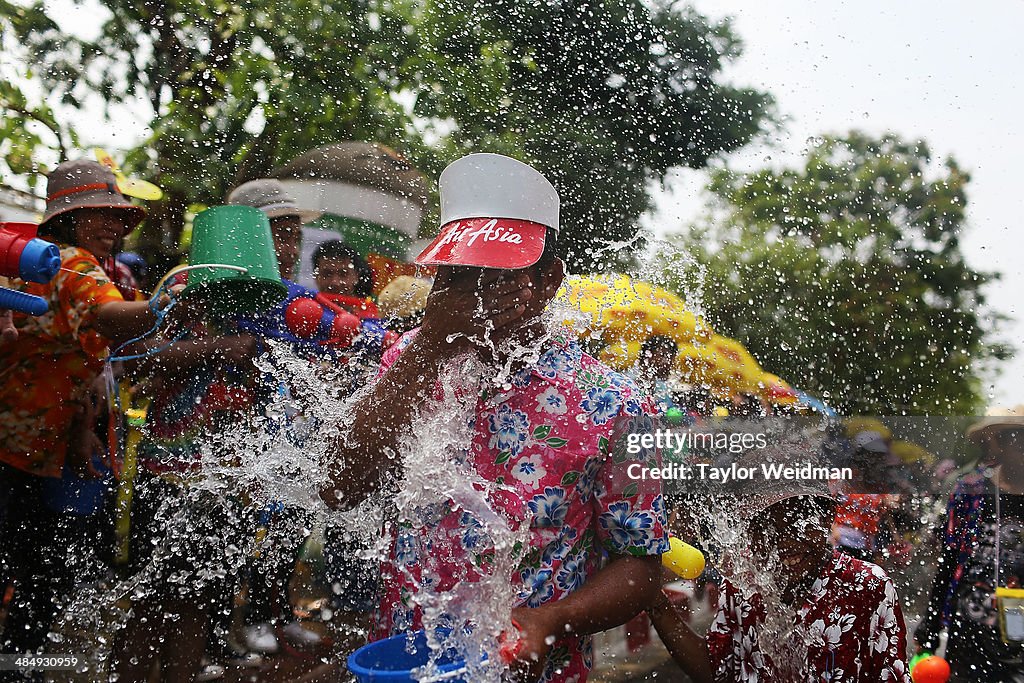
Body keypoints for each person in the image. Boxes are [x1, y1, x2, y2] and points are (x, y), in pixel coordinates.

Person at [321, 153, 668, 683]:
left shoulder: (617, 404)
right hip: (406, 657)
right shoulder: (411, 361)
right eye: (457, 276)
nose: (472, 297)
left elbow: (640, 563)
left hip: (536, 669)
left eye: (495, 276)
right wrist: (430, 347)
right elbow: (340, 488)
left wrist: (552, 619)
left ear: (549, 279)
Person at [0, 159, 166, 666]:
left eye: (117, 218)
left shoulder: (70, 265)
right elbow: (108, 319)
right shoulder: (70, 263)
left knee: (36, 578)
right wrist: (170, 301)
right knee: (30, 578)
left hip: (38, 445)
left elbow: (76, 354)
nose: (113, 227)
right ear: (68, 221)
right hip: (13, 448)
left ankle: (22, 663)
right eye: (100, 216)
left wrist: (80, 428)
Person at [649, 456, 911, 682]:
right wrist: (655, 602)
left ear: (827, 518)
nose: (785, 539)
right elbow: (716, 672)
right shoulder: (742, 584)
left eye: (799, 520)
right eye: (765, 527)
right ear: (748, 533)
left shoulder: (865, 584)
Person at [915, 408, 1024, 682]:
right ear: (1002, 443)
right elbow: (949, 561)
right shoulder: (971, 491)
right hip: (969, 629)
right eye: (1019, 438)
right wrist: (929, 627)